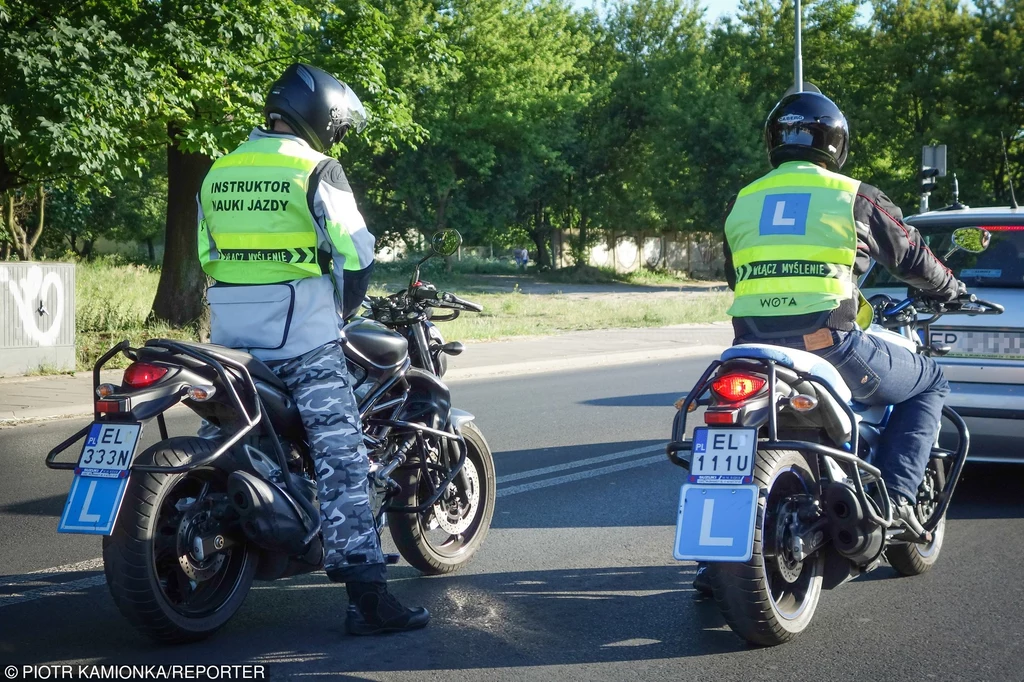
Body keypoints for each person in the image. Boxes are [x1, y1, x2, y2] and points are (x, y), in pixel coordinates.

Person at [693, 91, 964, 595]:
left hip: (750, 348)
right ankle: (900, 500)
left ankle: (715, 560)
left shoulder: (744, 200)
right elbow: (913, 257)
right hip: (828, 344)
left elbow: (737, 275)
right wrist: (951, 288)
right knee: (929, 381)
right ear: (835, 142)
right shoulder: (854, 196)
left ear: (775, 141)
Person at [196, 63, 429, 634]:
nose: (339, 134)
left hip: (230, 340)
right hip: (302, 339)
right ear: (323, 116)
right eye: (339, 123)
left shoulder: (218, 170)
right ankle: (368, 599)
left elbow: (207, 253)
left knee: (226, 434)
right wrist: (343, 310)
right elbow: (357, 251)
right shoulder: (316, 167)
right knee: (343, 456)